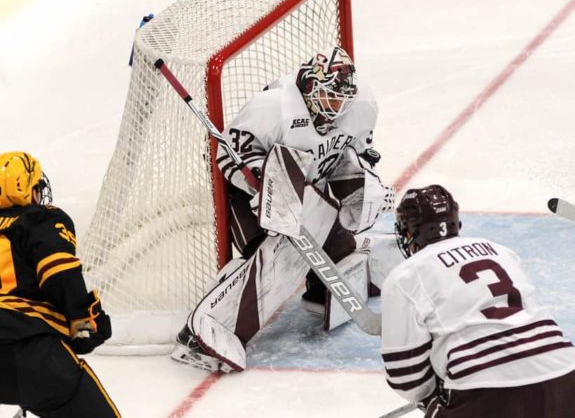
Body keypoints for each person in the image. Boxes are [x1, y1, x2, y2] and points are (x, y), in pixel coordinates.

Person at [172, 46, 397, 372]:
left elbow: (354, 156)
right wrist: (260, 182)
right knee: (274, 260)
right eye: (329, 97)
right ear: (310, 86)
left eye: (341, 99)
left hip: (307, 194)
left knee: (341, 250)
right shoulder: (272, 108)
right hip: (248, 199)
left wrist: (365, 188)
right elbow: (223, 158)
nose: (336, 107)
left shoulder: (360, 107)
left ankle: (319, 289)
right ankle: (207, 329)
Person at [380, 184, 575, 418]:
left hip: (487, 394)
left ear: (408, 232)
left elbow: (408, 379)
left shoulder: (404, 276)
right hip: (566, 376)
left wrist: (433, 398)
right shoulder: (500, 251)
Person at [0, 152, 120, 417]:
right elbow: (60, 276)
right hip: (32, 352)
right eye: (36, 187)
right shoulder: (39, 219)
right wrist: (84, 328)